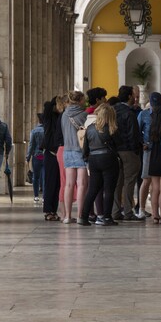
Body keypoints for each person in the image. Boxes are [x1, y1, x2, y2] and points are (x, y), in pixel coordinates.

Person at [78, 103, 121, 226]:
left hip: (93, 159)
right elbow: (119, 144)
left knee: (92, 189)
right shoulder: (112, 128)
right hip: (109, 159)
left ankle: (84, 216)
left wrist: (88, 158)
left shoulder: (90, 128)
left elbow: (85, 148)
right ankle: (107, 217)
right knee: (109, 189)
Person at [112, 85, 143, 221]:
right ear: (130, 96)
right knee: (129, 182)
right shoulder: (129, 113)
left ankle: (115, 211)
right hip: (128, 151)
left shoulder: (112, 111)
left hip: (114, 151)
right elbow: (133, 134)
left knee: (117, 182)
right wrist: (136, 149)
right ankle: (128, 212)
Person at [60, 90, 88, 224]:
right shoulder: (84, 114)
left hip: (67, 150)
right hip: (80, 151)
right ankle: (80, 215)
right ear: (80, 100)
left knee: (69, 184)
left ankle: (67, 216)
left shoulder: (64, 115)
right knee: (81, 184)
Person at [137, 92, 161, 219]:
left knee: (157, 181)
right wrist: (142, 143)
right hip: (148, 150)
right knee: (146, 179)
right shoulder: (144, 114)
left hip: (160, 150)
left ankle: (155, 209)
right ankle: (141, 208)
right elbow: (137, 131)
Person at [41, 96, 63, 221]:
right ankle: (48, 210)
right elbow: (47, 107)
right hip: (50, 154)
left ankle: (53, 210)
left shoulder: (59, 118)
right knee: (50, 183)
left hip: (57, 153)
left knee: (57, 184)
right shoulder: (49, 117)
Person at [26, 113, 45, 203]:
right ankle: (45, 196)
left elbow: (31, 145)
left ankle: (36, 196)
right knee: (45, 177)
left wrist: (28, 157)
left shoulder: (34, 131)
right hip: (46, 156)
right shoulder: (48, 130)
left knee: (36, 177)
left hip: (37, 156)